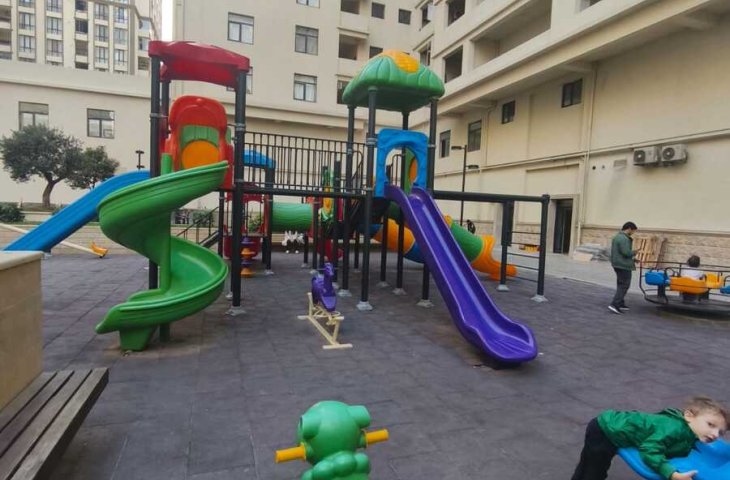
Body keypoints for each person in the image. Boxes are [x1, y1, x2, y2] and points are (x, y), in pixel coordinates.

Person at [571, 396, 728, 480]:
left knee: (588, 463)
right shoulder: (673, 429)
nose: (715, 434)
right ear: (689, 416)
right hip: (605, 430)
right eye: (710, 424)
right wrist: (671, 473)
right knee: (595, 469)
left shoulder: (690, 431)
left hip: (615, 425)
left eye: (721, 432)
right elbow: (649, 451)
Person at [608, 221, 638, 314]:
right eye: (633, 231)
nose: (633, 233)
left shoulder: (617, 236)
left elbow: (619, 252)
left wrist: (633, 260)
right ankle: (615, 304)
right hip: (623, 265)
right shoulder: (624, 238)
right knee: (624, 285)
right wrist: (634, 252)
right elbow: (626, 252)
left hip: (618, 263)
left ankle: (621, 303)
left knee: (621, 284)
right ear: (629, 229)